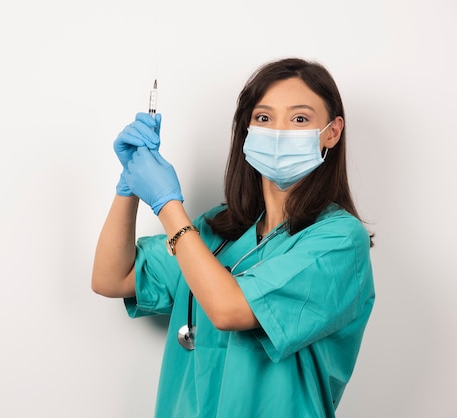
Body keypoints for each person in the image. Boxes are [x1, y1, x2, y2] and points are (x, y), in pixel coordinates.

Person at [91, 57, 375, 418]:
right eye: (264, 118)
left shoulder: (338, 241)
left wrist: (166, 205)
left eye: (300, 119)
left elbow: (229, 309)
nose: (279, 132)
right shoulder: (217, 228)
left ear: (332, 132)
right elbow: (111, 278)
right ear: (246, 130)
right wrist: (130, 184)